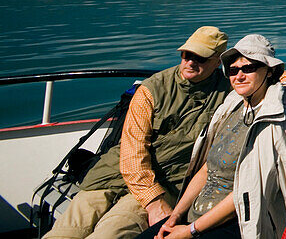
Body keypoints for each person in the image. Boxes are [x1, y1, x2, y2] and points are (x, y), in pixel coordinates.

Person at [46, 27, 232, 239]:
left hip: (166, 181)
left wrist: (277, 78)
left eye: (200, 57)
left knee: (111, 233)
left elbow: (263, 78)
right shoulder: (152, 89)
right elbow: (132, 152)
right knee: (65, 232)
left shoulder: (229, 92)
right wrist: (154, 203)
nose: (190, 62)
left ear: (218, 61)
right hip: (111, 174)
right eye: (187, 54)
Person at [147, 34, 286, 239]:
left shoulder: (276, 123)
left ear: (269, 72)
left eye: (248, 68)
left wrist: (189, 231)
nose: (239, 76)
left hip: (239, 222)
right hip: (196, 215)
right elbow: (207, 168)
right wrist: (176, 215)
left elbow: (246, 193)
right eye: (233, 70)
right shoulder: (232, 107)